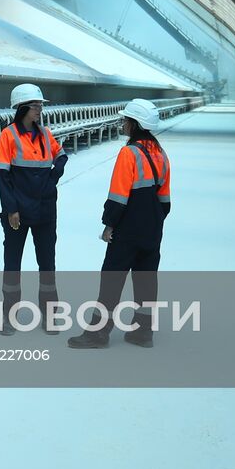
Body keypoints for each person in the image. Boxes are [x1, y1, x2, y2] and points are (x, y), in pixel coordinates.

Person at [68, 98, 171, 349]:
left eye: (125, 120)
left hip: (128, 228)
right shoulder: (160, 153)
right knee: (147, 279)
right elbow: (165, 200)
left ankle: (98, 333)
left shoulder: (130, 152)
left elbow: (118, 195)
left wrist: (109, 224)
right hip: (153, 228)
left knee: (112, 279)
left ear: (135, 124)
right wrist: (153, 222)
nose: (122, 123)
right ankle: (143, 332)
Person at [0, 83, 67, 335]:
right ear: (23, 108)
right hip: (18, 211)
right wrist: (11, 209)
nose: (39, 110)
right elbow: (2, 177)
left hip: (45, 209)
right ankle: (9, 317)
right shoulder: (8, 136)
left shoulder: (46, 133)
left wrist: (55, 173)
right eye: (36, 106)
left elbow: (61, 154)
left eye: (40, 106)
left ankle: (49, 316)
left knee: (47, 263)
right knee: (12, 264)